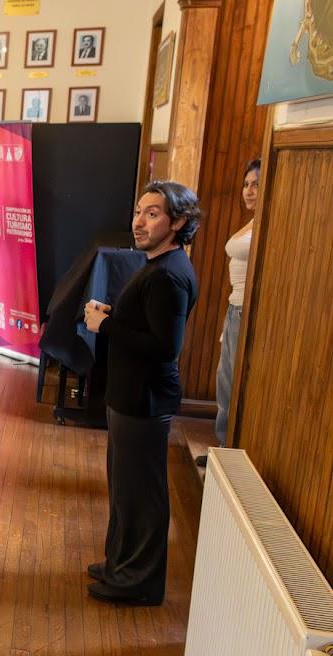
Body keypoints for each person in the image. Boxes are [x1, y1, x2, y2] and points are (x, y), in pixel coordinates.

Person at [83, 180, 200, 606]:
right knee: (124, 489)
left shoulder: (169, 274)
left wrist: (106, 326)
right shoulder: (158, 264)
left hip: (144, 399)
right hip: (130, 394)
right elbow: (148, 323)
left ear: (178, 222)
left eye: (152, 214)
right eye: (138, 212)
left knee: (141, 496)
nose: (139, 222)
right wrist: (114, 314)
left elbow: (165, 347)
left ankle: (138, 582)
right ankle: (120, 564)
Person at [201, 159, 259, 465]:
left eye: (256, 185)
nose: (248, 191)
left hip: (245, 310)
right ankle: (223, 448)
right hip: (234, 307)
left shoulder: (269, 221)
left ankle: (228, 452)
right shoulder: (253, 221)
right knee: (224, 380)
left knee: (233, 383)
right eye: (246, 184)